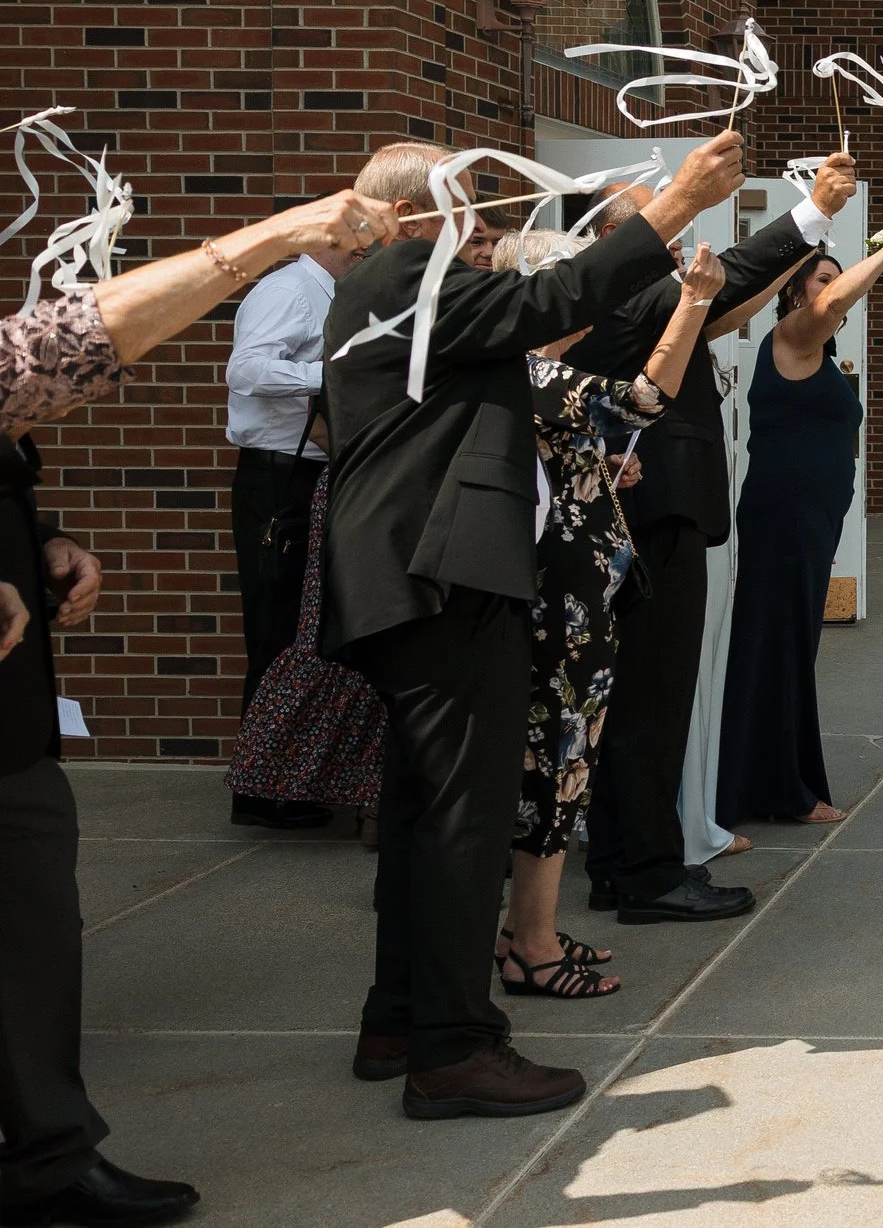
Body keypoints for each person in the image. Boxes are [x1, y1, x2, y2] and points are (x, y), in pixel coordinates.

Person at [325, 131, 742, 1118]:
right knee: (463, 822)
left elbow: (544, 372)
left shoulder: (401, 286)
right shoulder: (403, 278)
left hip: (421, 577)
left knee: (425, 817)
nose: (486, 224)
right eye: (466, 204)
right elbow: (553, 302)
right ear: (408, 212)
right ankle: (456, 1047)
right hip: (441, 580)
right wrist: (676, 200)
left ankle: (400, 1016)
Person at [0, 188, 387, 1226]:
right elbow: (59, 354)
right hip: (276, 477)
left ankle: (46, 1148)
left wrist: (38, 544)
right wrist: (272, 251)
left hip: (13, 709)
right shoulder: (286, 289)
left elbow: (23, 393)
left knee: (34, 922)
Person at [566, 153, 861, 926]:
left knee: (639, 702)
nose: (670, 244)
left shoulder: (636, 297)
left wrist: (796, 249)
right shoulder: (625, 290)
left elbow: (724, 310)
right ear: (612, 238)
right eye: (653, 226)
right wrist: (809, 213)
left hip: (656, 513)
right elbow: (722, 286)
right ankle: (652, 872)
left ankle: (620, 862)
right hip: (655, 515)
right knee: (654, 702)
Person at [494, 231, 723, 1002]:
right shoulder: (525, 372)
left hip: (574, 605)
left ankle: (532, 932)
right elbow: (646, 397)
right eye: (576, 285)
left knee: (560, 777)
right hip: (546, 607)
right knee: (548, 777)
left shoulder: (538, 374)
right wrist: (692, 299)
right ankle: (527, 945)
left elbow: (615, 420)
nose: (589, 305)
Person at [714, 219, 883, 830]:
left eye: (837, 278)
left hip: (809, 522)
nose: (835, 290)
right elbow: (834, 303)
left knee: (788, 646)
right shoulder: (792, 335)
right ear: (794, 292)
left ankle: (770, 782)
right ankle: (779, 790)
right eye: (821, 278)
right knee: (779, 647)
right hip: (784, 518)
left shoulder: (821, 350)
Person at [224, 238, 361, 831]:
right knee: (276, 629)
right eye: (361, 239)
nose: (373, 248)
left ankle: (286, 777)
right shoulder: (289, 291)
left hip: (313, 473)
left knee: (306, 631)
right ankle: (259, 790)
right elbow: (247, 370)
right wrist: (331, 374)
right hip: (279, 481)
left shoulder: (332, 294)